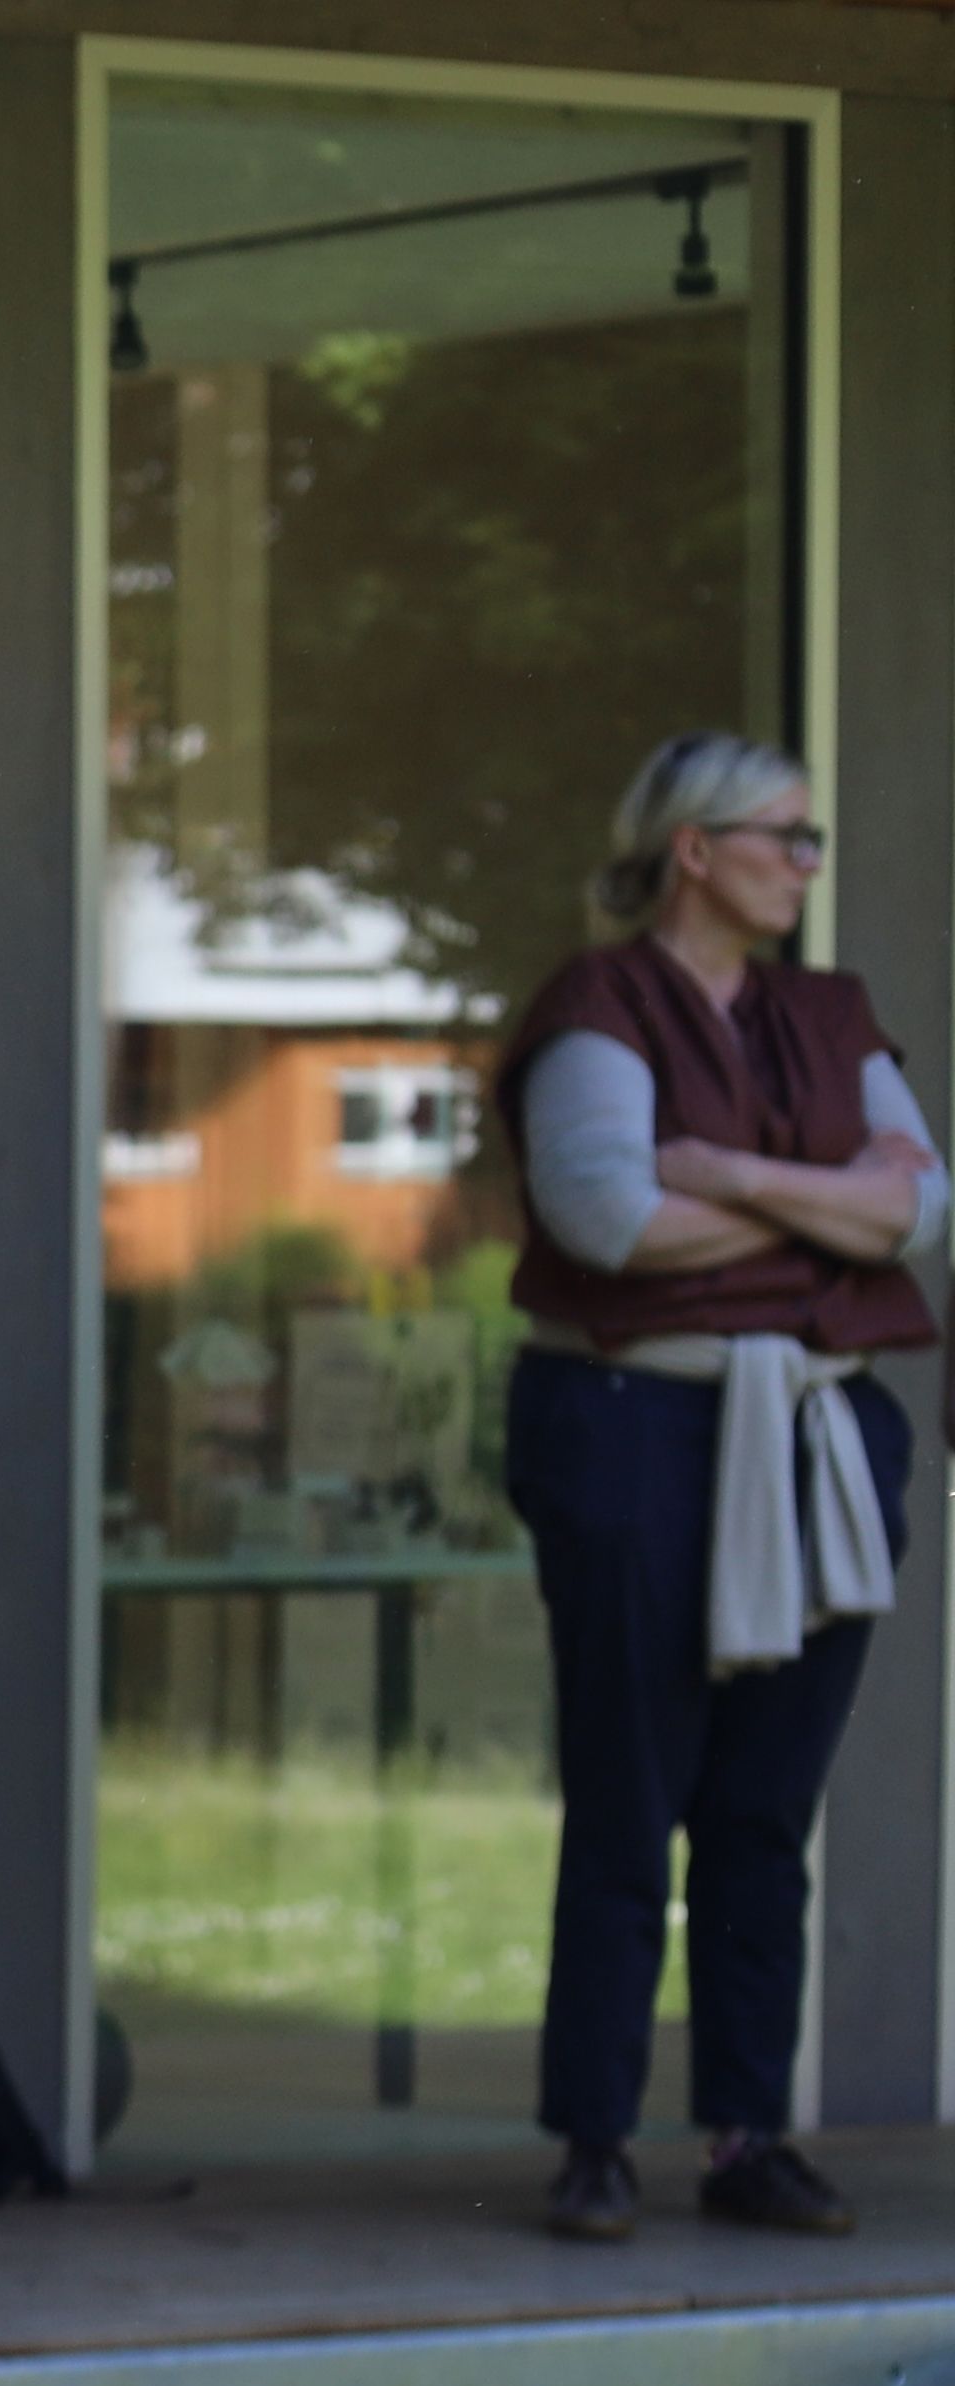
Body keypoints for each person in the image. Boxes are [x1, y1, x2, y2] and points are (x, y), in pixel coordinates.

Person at [484, 731, 936, 2246]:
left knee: (765, 1805)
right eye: (782, 838)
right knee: (631, 1792)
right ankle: (597, 2139)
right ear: (694, 849)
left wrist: (730, 1175)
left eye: (811, 841)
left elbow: (925, 1206)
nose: (806, 865)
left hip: (816, 1435)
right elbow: (606, 1216)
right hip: (632, 1430)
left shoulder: (829, 1010)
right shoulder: (597, 1008)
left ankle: (748, 2134)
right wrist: (833, 1209)